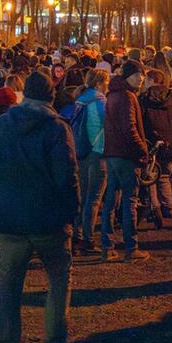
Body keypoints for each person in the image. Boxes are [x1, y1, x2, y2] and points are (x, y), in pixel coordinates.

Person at [0, 71, 82, 343]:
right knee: (59, 278)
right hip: (49, 220)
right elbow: (67, 176)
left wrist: (1, 195)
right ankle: (54, 342)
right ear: (51, 96)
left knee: (9, 286)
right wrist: (72, 214)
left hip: (10, 221)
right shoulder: (58, 128)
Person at [102, 60, 151, 262]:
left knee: (110, 202)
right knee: (130, 200)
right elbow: (129, 128)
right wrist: (143, 149)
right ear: (129, 75)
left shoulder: (112, 94)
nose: (141, 79)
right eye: (139, 74)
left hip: (112, 153)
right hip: (125, 156)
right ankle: (132, 247)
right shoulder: (127, 97)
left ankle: (108, 246)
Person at [71, 69, 108, 255]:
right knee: (94, 198)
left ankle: (76, 235)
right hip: (97, 151)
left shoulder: (81, 99)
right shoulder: (100, 101)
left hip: (82, 151)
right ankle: (88, 238)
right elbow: (107, 124)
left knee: (82, 196)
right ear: (101, 83)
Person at [140, 68, 172, 222]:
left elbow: (141, 121)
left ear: (150, 80)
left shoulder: (145, 99)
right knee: (164, 176)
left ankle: (154, 207)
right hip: (171, 143)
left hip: (152, 143)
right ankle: (169, 207)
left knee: (150, 176)